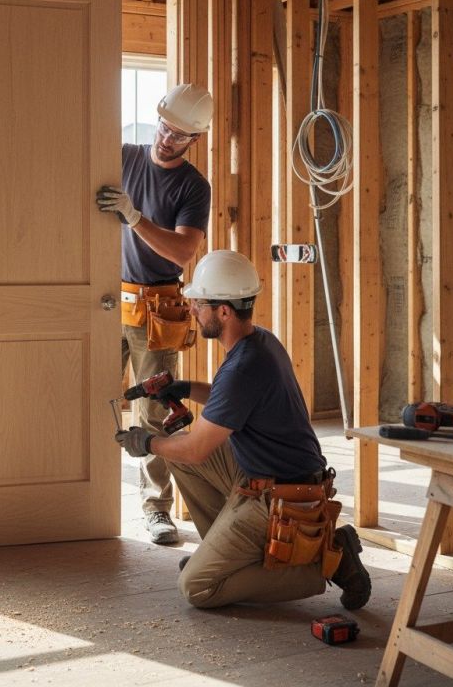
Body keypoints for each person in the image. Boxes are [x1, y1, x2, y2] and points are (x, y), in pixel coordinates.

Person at [114, 250, 372, 610]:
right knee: (179, 448)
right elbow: (231, 402)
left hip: (281, 497)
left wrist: (146, 442)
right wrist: (186, 388)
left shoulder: (243, 367)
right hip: (275, 476)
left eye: (199, 303)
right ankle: (226, 558)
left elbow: (196, 450)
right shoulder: (259, 342)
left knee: (198, 588)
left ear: (223, 311)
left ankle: (328, 563)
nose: (192, 310)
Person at [97, 84, 213, 545]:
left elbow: (184, 249)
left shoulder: (192, 186)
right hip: (107, 297)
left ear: (193, 140)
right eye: (165, 127)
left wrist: (134, 216)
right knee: (90, 397)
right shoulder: (122, 156)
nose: (167, 139)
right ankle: (78, 501)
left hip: (158, 307)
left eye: (180, 135)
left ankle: (156, 508)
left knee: (154, 411)